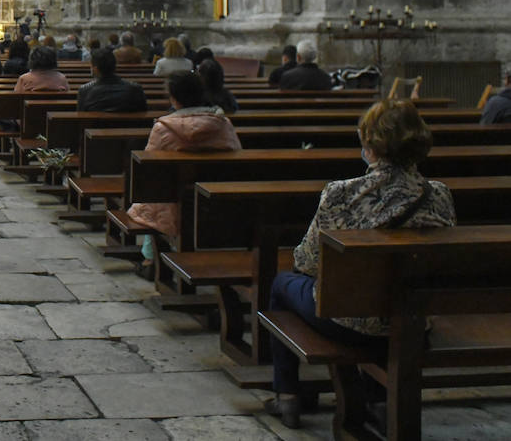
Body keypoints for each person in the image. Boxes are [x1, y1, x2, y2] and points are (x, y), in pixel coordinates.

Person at [265, 99, 455, 428]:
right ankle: (378, 398)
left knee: (282, 285)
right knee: (389, 291)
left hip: (349, 322)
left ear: (370, 143)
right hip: (412, 321)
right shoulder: (438, 194)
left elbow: (306, 262)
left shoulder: (341, 194)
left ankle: (288, 395)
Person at [124, 71, 241, 242]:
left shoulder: (163, 128)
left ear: (173, 98)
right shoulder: (223, 125)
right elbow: (236, 158)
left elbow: (148, 173)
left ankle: (150, 257)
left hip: (171, 206)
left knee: (155, 196)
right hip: (216, 202)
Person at [77, 48, 148, 112]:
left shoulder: (85, 91)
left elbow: (81, 117)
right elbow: (144, 114)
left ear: (95, 69)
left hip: (96, 126)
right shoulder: (135, 89)